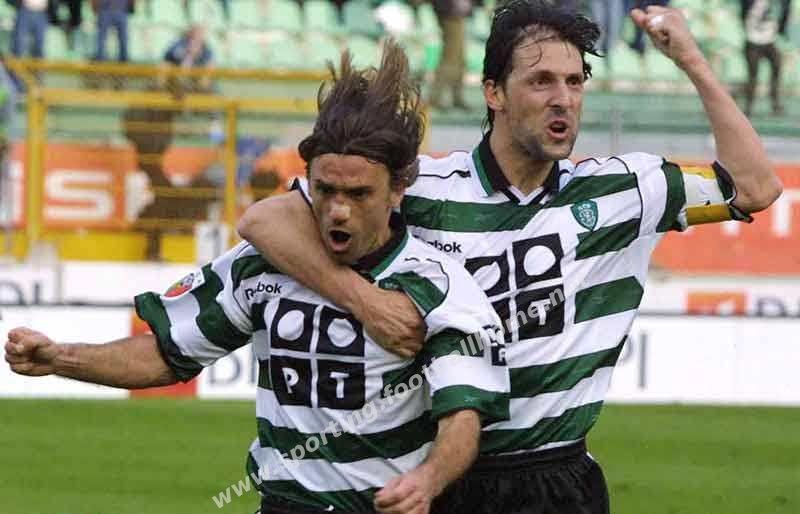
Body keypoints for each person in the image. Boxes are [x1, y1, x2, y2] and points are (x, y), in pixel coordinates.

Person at [236, 1, 783, 512]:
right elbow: (265, 220)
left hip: (557, 479)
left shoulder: (624, 192)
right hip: (438, 472)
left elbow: (756, 187)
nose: (563, 98)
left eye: (575, 81)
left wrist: (691, 61)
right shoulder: (423, 188)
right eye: (541, 81)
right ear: (494, 93)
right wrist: (364, 300)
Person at [4, 40, 510, 514]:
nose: (338, 210)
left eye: (358, 195)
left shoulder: (437, 286)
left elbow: (463, 415)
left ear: (398, 189)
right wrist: (61, 358)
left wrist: (429, 479)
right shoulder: (263, 264)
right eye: (325, 190)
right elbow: (167, 353)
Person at [740, 0, 792, 116]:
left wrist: (781, 29)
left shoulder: (778, 3)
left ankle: (775, 104)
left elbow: (785, 10)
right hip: (753, 41)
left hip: (769, 41)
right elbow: (744, 13)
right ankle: (748, 105)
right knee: (752, 75)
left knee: (777, 68)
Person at [428, 0, 472, 111]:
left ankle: (456, 96)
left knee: (459, 56)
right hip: (450, 11)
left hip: (453, 11)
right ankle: (435, 96)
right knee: (451, 56)